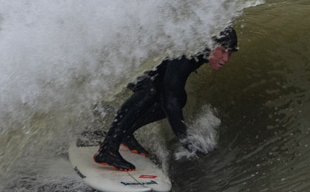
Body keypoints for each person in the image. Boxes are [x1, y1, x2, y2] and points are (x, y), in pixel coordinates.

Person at [91, 26, 239, 171]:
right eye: (222, 51)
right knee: (150, 91)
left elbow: (171, 92)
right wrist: (185, 139)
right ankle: (107, 149)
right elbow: (170, 101)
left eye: (230, 53)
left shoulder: (202, 49)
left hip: (145, 61)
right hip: (126, 59)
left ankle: (125, 133)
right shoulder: (188, 53)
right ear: (211, 45)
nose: (225, 59)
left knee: (179, 98)